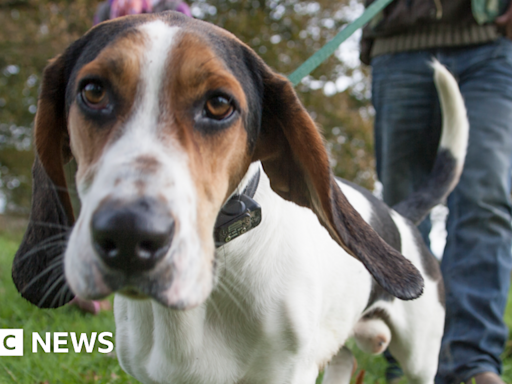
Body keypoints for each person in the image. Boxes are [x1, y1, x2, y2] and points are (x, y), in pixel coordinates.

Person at [361, 1, 512, 383]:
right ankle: (404, 356)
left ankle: (474, 361)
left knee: (486, 201)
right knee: (399, 213)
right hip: (398, 43)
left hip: (490, 42)